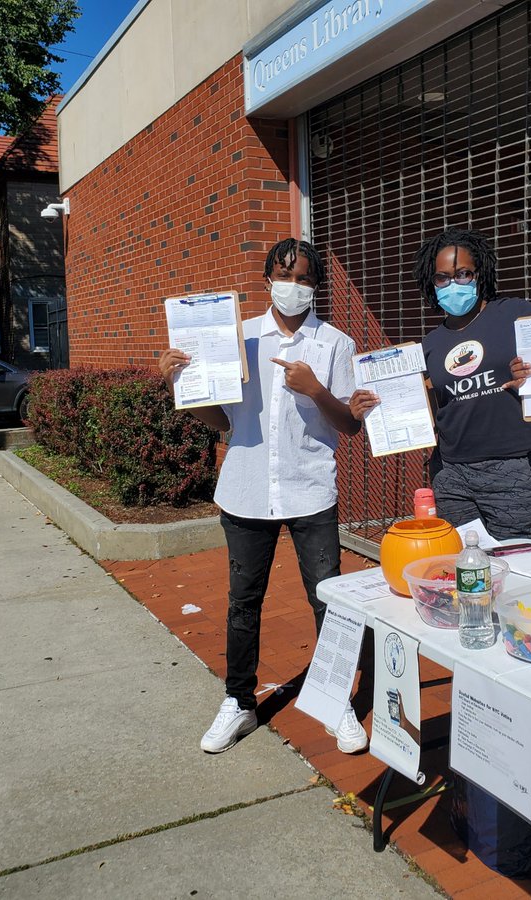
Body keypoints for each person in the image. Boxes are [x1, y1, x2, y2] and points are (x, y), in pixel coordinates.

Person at [158, 238, 368, 755]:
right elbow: (222, 419)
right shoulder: (241, 338)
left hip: (310, 490)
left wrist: (315, 389)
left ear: (316, 285)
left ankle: (335, 698)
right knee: (243, 603)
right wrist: (179, 386)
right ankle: (239, 701)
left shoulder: (335, 344)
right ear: (267, 280)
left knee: (328, 601)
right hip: (247, 491)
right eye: (284, 275)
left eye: (304, 278)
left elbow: (350, 425)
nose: (293, 286)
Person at [350, 227, 531, 541]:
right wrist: (376, 406)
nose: (453, 284)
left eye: (463, 274)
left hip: (514, 468)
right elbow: (431, 407)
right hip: (452, 473)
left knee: (519, 559)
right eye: (442, 278)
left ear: (480, 274)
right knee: (462, 560)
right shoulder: (431, 344)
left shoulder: (516, 314)